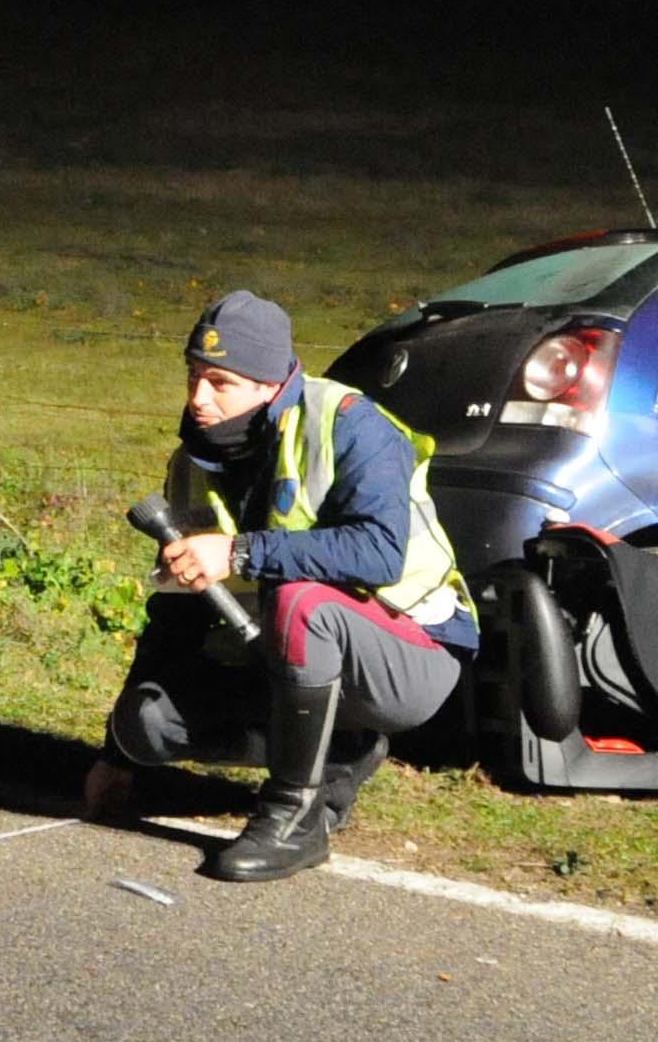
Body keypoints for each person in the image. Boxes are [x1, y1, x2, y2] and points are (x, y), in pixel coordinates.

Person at [82, 289, 475, 881]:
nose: (198, 398)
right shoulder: (192, 464)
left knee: (303, 601)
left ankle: (294, 818)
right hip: (281, 654)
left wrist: (238, 551)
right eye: (193, 375)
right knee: (146, 723)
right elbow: (175, 614)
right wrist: (117, 755)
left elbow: (380, 553)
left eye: (220, 382)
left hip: (413, 653)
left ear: (269, 384)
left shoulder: (350, 425)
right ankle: (341, 754)